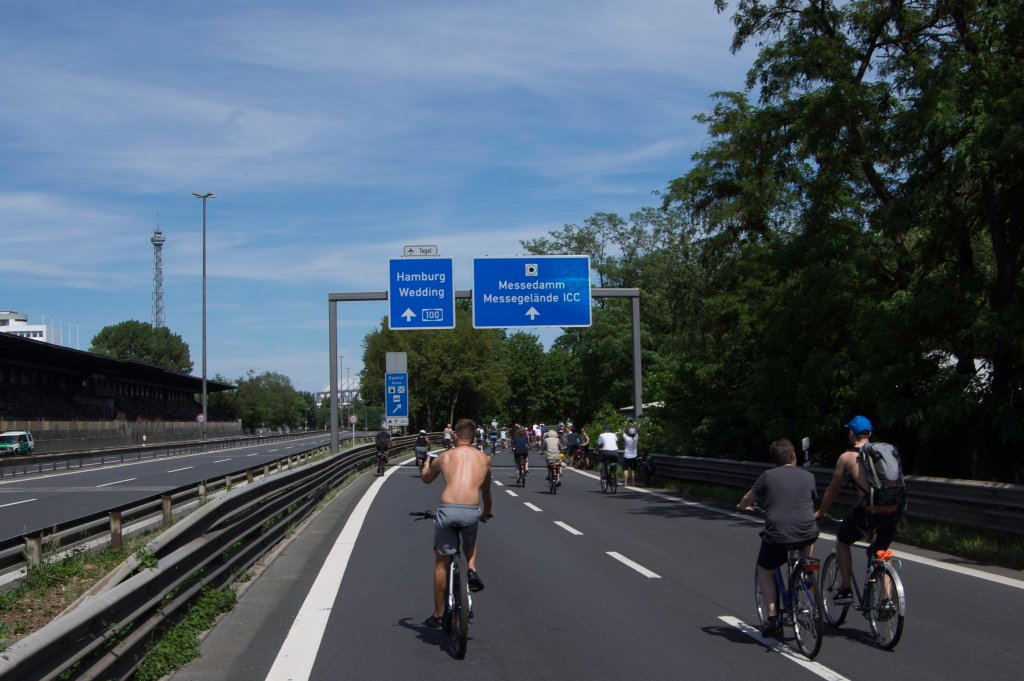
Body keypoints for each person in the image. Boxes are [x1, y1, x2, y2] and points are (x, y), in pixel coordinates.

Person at [737, 438, 819, 637]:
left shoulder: (768, 476)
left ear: (774, 460)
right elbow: (812, 499)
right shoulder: (808, 476)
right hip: (806, 532)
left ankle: (773, 617)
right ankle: (804, 567)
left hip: (778, 534)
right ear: (793, 456)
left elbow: (749, 498)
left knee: (765, 570)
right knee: (809, 535)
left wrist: (741, 506)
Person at [815, 415, 900, 605]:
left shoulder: (847, 457)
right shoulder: (886, 452)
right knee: (881, 551)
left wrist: (821, 512)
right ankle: (887, 600)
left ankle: (846, 590)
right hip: (892, 511)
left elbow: (832, 490)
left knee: (843, 540)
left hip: (869, 512)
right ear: (869, 433)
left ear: (852, 434)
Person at [420, 419, 494, 628]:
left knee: (441, 563)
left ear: (454, 436)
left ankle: (437, 615)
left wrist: (425, 466)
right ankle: (471, 568)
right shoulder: (483, 459)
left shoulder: (445, 457)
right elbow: (487, 493)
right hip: (471, 510)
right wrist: (486, 513)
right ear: (475, 437)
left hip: (448, 509)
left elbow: (426, 479)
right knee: (470, 538)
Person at [621, 421, 639, 486]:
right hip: (634, 456)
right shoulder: (636, 438)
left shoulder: (626, 438)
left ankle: (626, 483)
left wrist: (625, 424)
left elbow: (623, 431)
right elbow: (636, 430)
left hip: (626, 456)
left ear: (629, 433)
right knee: (633, 470)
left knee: (626, 469)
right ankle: (633, 483)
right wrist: (635, 424)